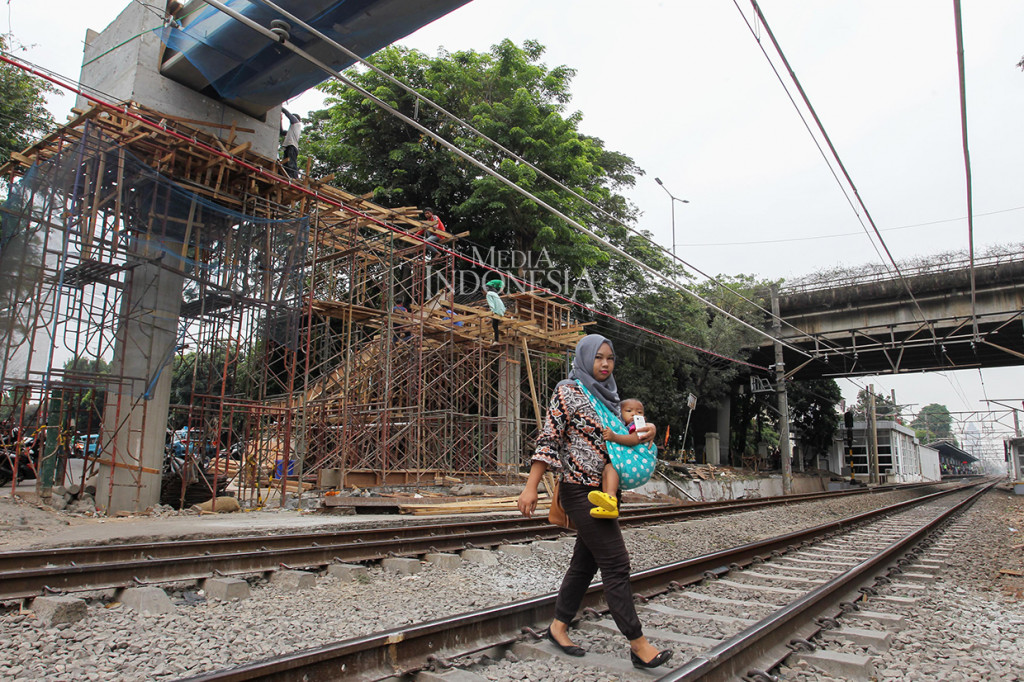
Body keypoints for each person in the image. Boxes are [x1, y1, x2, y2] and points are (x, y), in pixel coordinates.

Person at [517, 334, 672, 670]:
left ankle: (558, 626)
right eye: (598, 357)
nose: (604, 364)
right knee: (616, 563)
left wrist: (649, 429)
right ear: (585, 358)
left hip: (606, 493)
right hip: (578, 490)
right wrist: (531, 487)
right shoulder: (568, 391)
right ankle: (638, 644)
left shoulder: (610, 396)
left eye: (610, 358)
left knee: (585, 564)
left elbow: (629, 433)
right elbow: (549, 438)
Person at [590, 398, 646, 519]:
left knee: (611, 469)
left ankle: (611, 497)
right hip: (626, 463)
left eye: (639, 412)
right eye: (629, 411)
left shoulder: (637, 426)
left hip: (634, 462)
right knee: (607, 472)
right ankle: (609, 506)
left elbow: (634, 439)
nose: (634, 414)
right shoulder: (623, 426)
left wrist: (614, 437)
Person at [281, 108, 302, 178]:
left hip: (292, 147)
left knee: (291, 165)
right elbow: (282, 132)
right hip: (288, 146)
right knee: (286, 165)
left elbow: (288, 114)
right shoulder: (292, 130)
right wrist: (280, 119)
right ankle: (288, 177)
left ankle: (294, 178)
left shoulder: (297, 124)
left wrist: (281, 108)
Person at [484, 279, 506, 343]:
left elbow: (491, 304)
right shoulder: (496, 295)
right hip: (501, 312)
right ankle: (496, 340)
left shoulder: (489, 294)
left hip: (497, 312)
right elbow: (501, 291)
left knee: (494, 326)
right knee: (495, 324)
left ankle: (496, 340)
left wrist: (492, 312)